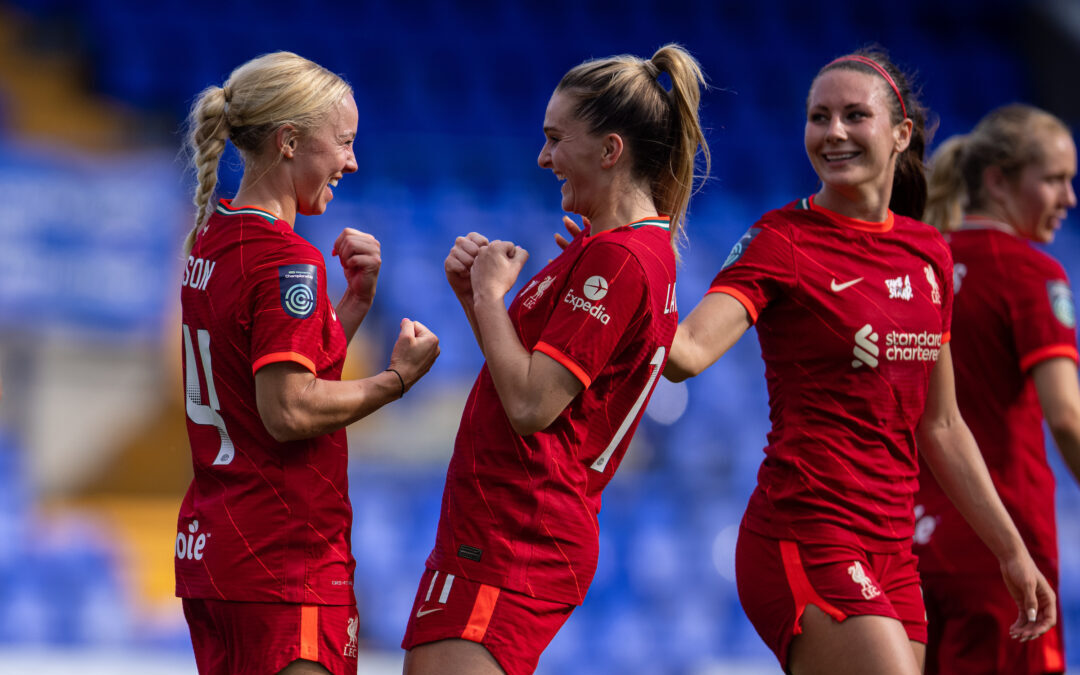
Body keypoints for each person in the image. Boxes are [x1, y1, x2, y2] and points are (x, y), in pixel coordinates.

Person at [663, 49, 1057, 675]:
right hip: (805, 532)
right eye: (819, 117)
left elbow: (942, 425)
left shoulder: (928, 253)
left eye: (853, 115)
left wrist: (1011, 551)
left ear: (901, 134)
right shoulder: (781, 241)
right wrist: (627, 256)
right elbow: (685, 354)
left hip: (894, 552)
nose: (834, 133)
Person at [401, 44, 710, 675]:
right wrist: (475, 301)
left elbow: (530, 405)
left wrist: (489, 297)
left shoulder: (618, 258)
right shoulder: (617, 250)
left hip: (517, 530)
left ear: (610, 150)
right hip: (501, 526)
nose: (543, 158)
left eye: (555, 139)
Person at [175, 51, 440, 675]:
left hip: (218, 551)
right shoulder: (286, 259)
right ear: (289, 140)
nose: (352, 161)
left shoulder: (212, 239)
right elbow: (288, 409)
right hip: (283, 561)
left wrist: (351, 307)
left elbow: (261, 376)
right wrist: (395, 379)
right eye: (343, 143)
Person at [913, 104, 1079, 675]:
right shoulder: (1032, 275)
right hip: (1007, 552)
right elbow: (1067, 419)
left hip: (914, 547)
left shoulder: (919, 267)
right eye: (1055, 179)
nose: (1069, 198)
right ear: (997, 180)